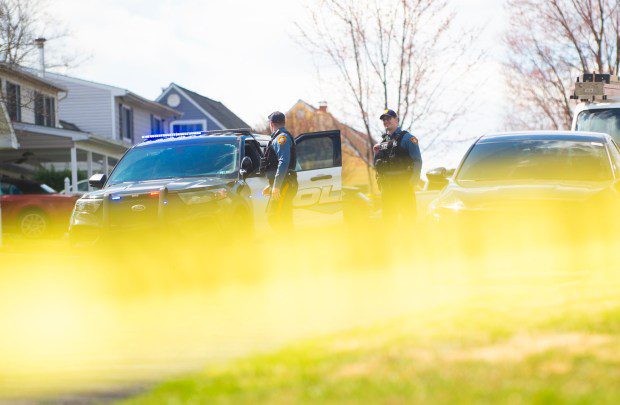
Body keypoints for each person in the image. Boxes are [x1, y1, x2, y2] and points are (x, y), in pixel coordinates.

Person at [373, 109, 422, 225]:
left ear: (396, 120)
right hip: (387, 189)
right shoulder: (382, 142)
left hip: (403, 186)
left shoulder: (408, 138)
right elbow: (378, 165)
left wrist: (411, 183)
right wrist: (376, 153)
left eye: (389, 118)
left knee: (408, 221)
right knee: (389, 222)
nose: (386, 121)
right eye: (384, 119)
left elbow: (417, 161)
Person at [260, 111, 298, 230]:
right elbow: (276, 164)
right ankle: (289, 245)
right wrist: (271, 185)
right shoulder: (279, 137)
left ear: (271, 123)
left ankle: (284, 245)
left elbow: (283, 162)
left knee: (275, 217)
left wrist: (276, 186)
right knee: (283, 216)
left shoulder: (281, 138)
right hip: (282, 183)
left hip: (284, 184)